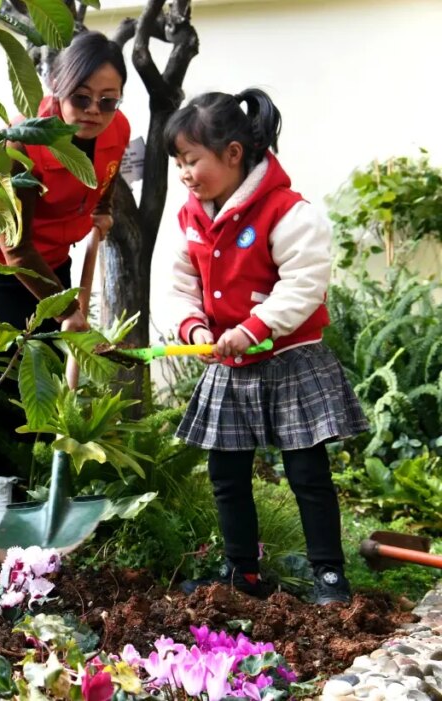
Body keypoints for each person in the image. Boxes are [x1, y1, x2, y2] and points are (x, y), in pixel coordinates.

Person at [164, 88, 368, 605]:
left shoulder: (287, 211)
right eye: (179, 164)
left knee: (306, 472)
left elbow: (304, 283)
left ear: (234, 154)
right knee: (226, 473)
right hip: (229, 362)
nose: (185, 174)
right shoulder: (193, 216)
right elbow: (181, 280)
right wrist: (195, 329)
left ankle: (328, 575)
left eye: (192, 161)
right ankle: (242, 573)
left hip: (289, 357)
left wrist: (252, 328)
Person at [0, 30, 131, 527]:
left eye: (107, 100)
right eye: (81, 97)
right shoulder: (22, 141)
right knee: (6, 371)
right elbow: (14, 245)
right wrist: (69, 312)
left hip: (49, 257)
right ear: (56, 88)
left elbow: (106, 176)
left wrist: (105, 209)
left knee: (47, 367)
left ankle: (35, 488)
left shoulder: (117, 129)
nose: (94, 110)